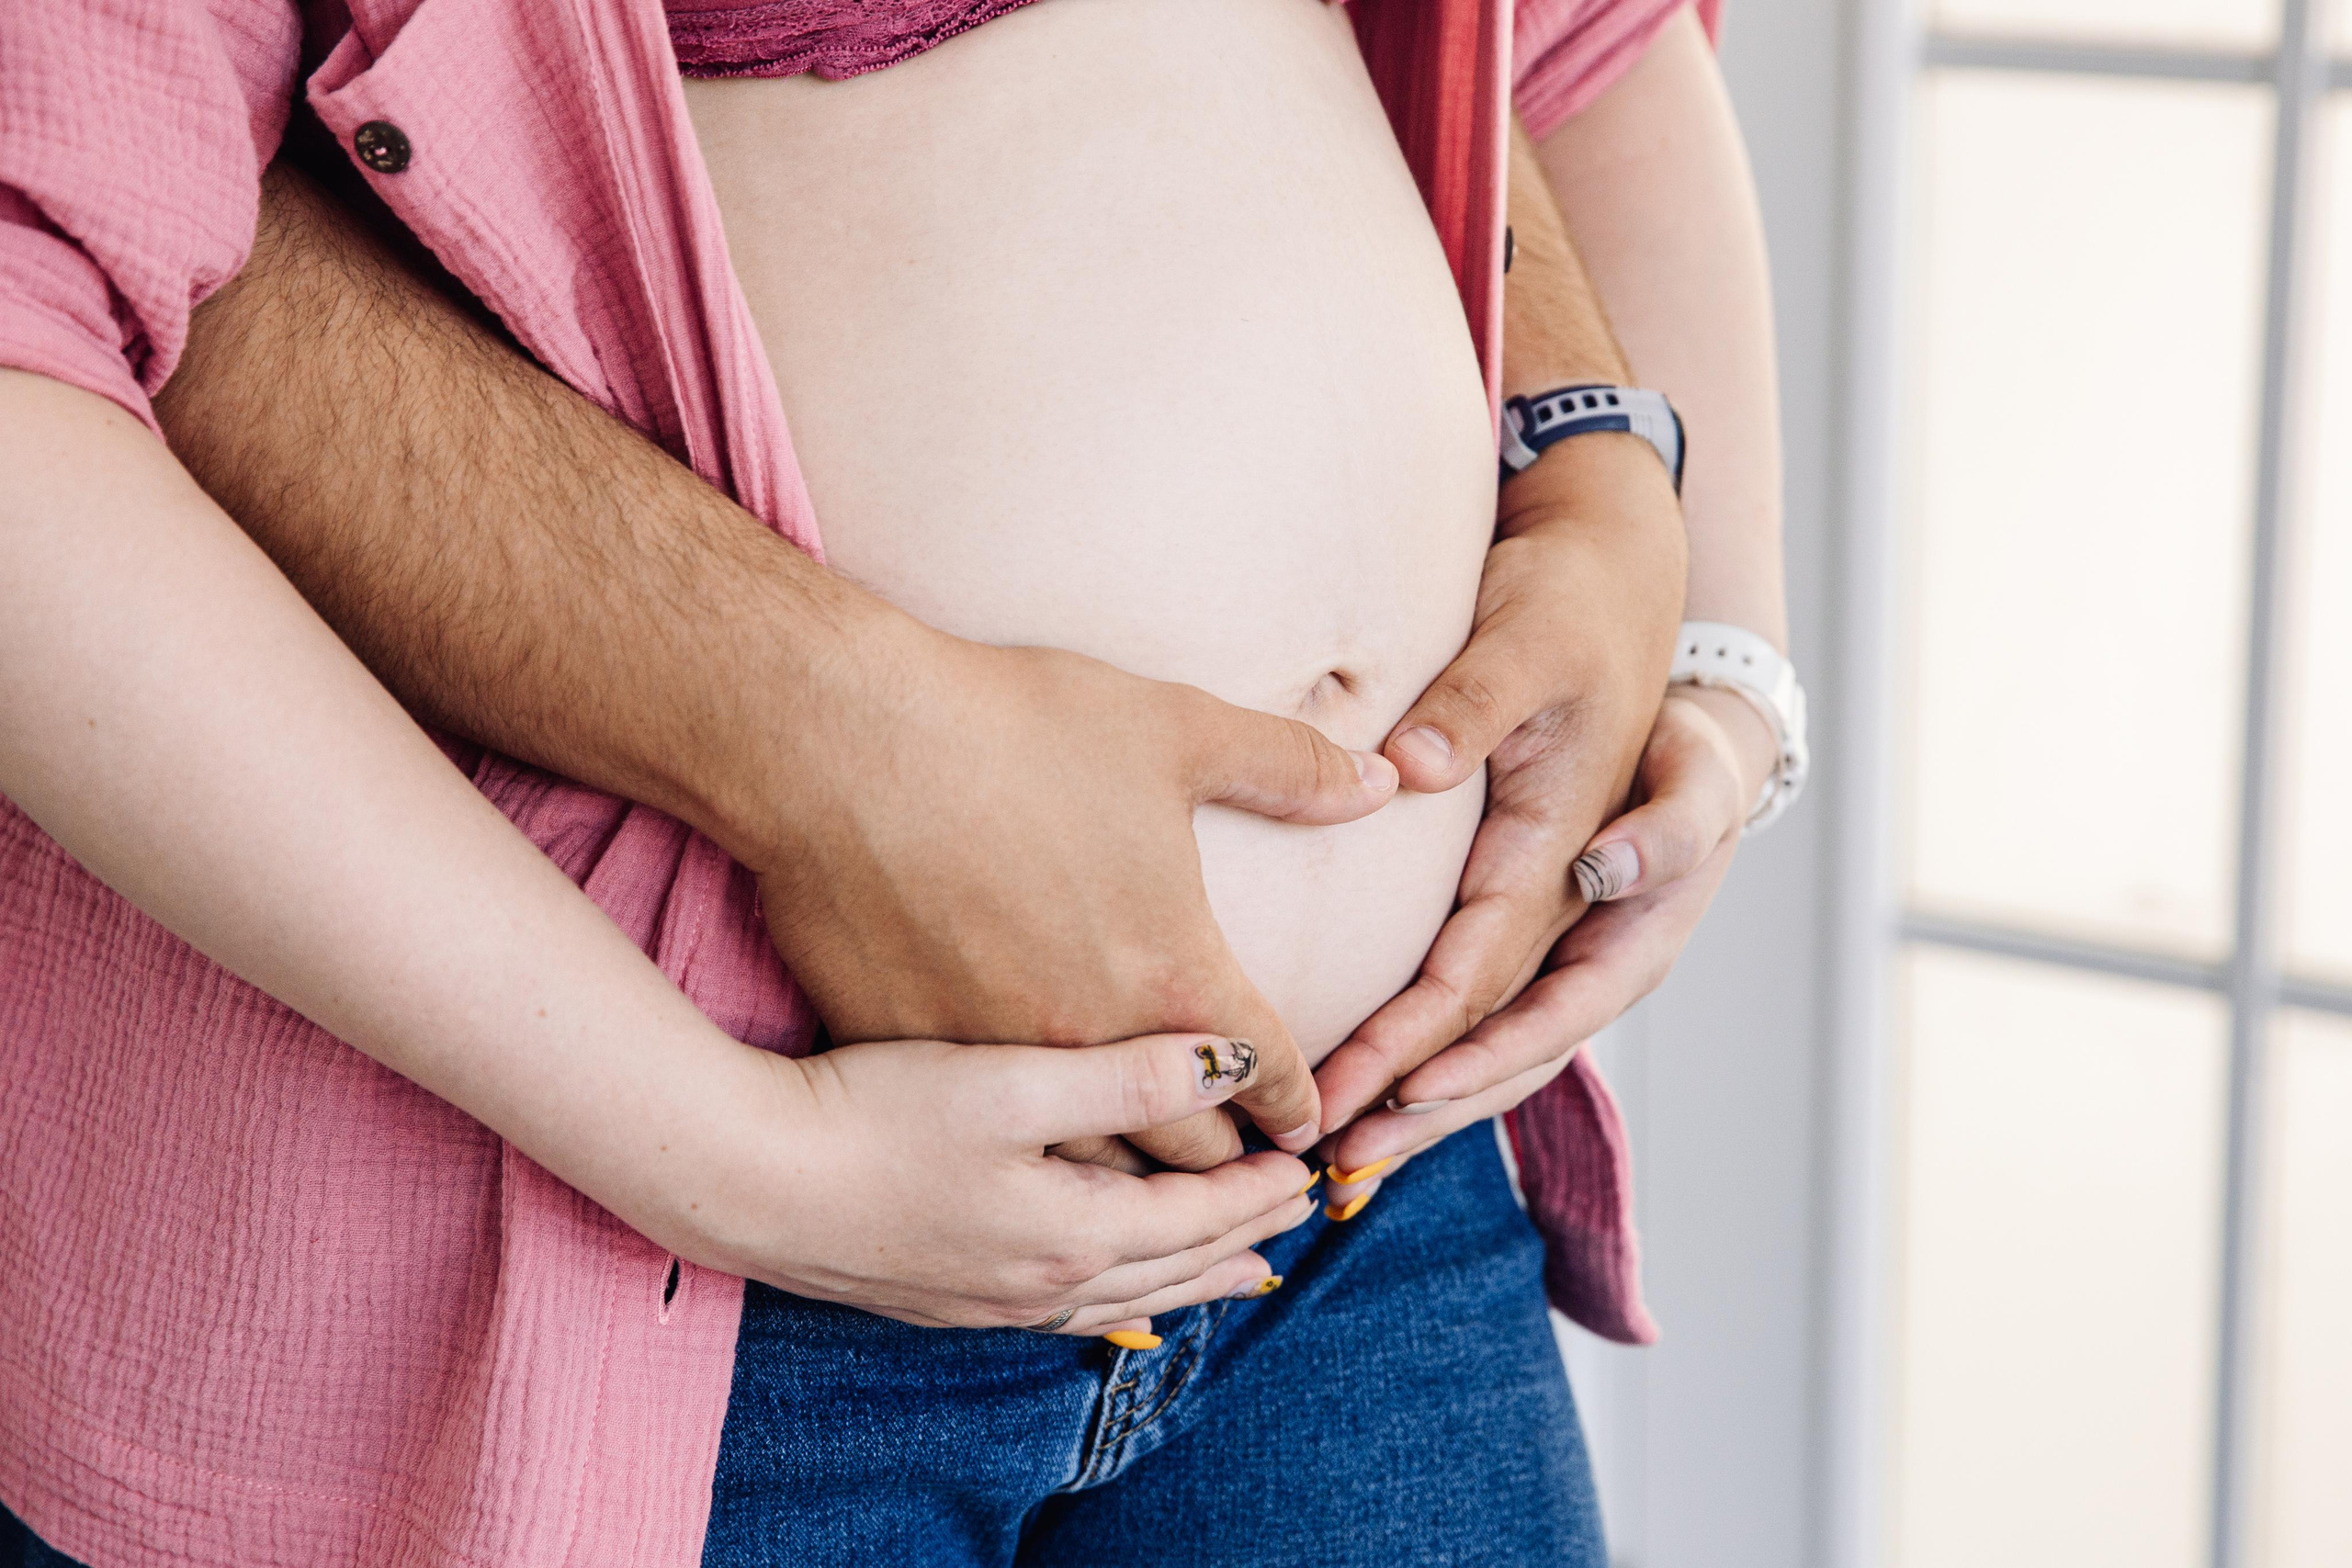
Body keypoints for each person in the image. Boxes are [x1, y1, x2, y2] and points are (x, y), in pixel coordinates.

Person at [0, 0, 1793, 1562]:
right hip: (612, 1246)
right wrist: (735, 1155)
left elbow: (1572, 41)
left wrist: (1705, 639)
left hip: (1362, 1197)